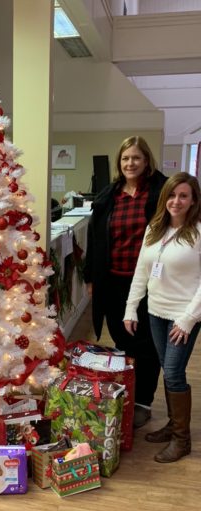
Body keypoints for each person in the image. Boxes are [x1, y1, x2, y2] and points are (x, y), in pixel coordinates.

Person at [83, 136, 167, 428]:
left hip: (148, 285)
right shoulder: (109, 195)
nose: (131, 163)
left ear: (146, 161)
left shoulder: (160, 192)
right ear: (119, 163)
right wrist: (91, 278)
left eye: (136, 158)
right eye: (125, 158)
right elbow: (95, 239)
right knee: (121, 341)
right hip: (113, 282)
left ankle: (143, 402)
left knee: (147, 345)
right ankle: (126, 395)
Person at [124, 172, 201, 463]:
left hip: (183, 316)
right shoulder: (155, 228)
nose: (176, 201)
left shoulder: (198, 232)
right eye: (171, 194)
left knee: (173, 372)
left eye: (183, 196)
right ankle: (172, 425)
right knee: (168, 370)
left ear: (193, 200)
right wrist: (131, 308)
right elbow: (141, 271)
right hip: (155, 311)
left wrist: (189, 318)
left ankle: (182, 439)